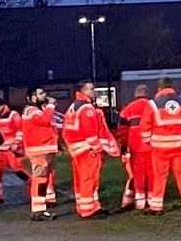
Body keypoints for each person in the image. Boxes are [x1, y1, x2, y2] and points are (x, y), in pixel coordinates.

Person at [139, 82, 181, 213]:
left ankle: (157, 206)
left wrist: (149, 141)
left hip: (160, 148)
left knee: (159, 176)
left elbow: (145, 126)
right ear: (172, 87)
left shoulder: (153, 104)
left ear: (159, 88)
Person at [63, 83, 117, 219]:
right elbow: (90, 132)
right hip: (88, 149)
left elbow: (66, 131)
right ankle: (88, 210)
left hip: (77, 149)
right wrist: (97, 147)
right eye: (92, 89)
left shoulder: (73, 106)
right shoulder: (87, 108)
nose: (95, 91)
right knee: (89, 178)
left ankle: (90, 206)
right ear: (84, 90)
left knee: (82, 179)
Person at [17, 90, 63, 218]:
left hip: (45, 149)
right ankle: (38, 210)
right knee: (39, 179)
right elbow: (44, 120)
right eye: (41, 93)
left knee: (43, 180)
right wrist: (50, 106)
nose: (45, 96)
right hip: (39, 150)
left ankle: (40, 209)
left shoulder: (39, 109)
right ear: (33, 97)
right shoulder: (31, 110)